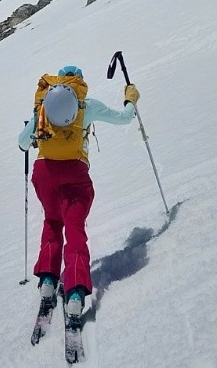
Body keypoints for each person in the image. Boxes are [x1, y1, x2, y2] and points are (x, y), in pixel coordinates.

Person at [18, 64, 140, 319]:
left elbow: (21, 141)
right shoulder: (86, 105)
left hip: (44, 173)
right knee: (75, 232)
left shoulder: (44, 105)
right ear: (79, 83)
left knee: (52, 222)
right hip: (74, 175)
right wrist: (130, 98)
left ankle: (49, 281)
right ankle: (74, 294)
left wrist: (33, 137)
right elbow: (124, 118)